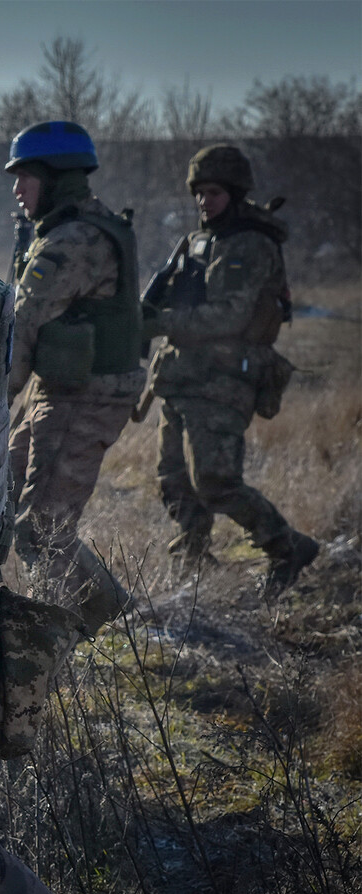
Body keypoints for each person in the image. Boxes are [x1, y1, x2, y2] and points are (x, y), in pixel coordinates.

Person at [144, 144, 318, 593]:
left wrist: (158, 322)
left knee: (216, 482)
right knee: (174, 478)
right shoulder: (203, 240)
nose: (204, 201)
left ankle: (286, 546)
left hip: (224, 379)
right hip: (184, 374)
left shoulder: (250, 246)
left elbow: (228, 318)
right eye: (199, 192)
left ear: (236, 194)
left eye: (215, 192)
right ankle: (192, 561)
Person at [4, 120, 145, 632]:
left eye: (25, 177)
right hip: (62, 389)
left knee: (43, 529)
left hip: (82, 397)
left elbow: (23, 325)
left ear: (57, 178)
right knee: (7, 493)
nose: (17, 190)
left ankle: (69, 632)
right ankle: (107, 616)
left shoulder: (72, 241)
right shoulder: (88, 225)